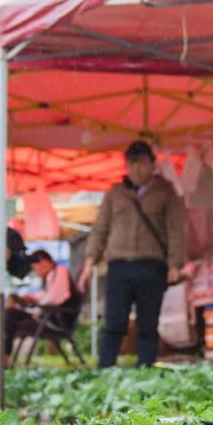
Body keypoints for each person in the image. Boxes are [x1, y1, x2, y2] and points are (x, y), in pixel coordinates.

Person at [79, 140, 185, 368]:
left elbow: (176, 229)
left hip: (152, 265)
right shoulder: (115, 194)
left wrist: (175, 263)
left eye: (143, 163)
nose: (138, 169)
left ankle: (145, 370)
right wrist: (89, 262)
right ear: (126, 165)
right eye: (133, 163)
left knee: (148, 323)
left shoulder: (166, 192)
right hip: (119, 266)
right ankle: (105, 370)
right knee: (114, 322)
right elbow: (100, 228)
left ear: (152, 165)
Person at [4, 249, 79, 357]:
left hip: (57, 321)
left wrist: (37, 310)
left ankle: (4, 354)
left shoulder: (60, 271)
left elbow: (55, 297)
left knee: (12, 317)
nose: (36, 272)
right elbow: (46, 294)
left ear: (43, 262)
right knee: (11, 313)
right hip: (48, 317)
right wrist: (29, 298)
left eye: (35, 268)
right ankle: (4, 352)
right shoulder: (50, 276)